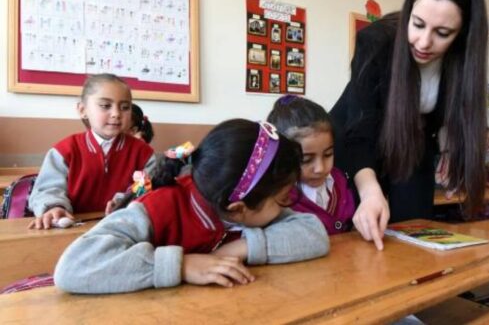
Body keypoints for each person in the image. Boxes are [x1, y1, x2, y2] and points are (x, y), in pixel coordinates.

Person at [54, 119, 329, 294]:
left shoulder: (246, 208)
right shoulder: (158, 207)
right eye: (283, 199)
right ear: (237, 208)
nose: (287, 206)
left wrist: (242, 247)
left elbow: (314, 235)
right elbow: (73, 268)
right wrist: (181, 265)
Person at [330, 0, 488, 250]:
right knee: (359, 229)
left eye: (443, 33)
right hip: (355, 142)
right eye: (417, 24)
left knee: (417, 227)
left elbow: (448, 117)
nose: (423, 42)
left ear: (463, 33)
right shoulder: (375, 43)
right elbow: (360, 128)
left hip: (412, 143)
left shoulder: (463, 64)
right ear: (408, 12)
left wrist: (450, 149)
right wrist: (369, 190)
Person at [28, 74, 156, 229]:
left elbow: (151, 190)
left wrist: (125, 201)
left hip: (124, 228)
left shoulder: (144, 153)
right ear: (83, 110)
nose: (116, 113)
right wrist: (54, 207)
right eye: (105, 106)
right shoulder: (65, 151)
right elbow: (47, 189)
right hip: (71, 229)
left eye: (125, 107)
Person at [267, 95, 355, 235]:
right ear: (280, 156)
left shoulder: (340, 181)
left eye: (328, 154)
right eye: (306, 160)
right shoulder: (277, 198)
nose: (320, 168)